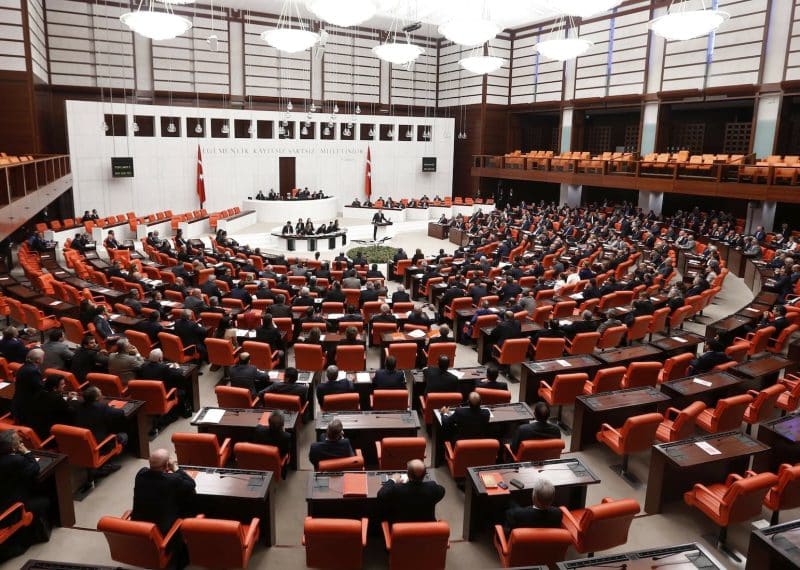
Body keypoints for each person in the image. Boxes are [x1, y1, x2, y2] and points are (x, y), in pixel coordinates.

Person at [131, 448, 196, 566]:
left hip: (138, 532)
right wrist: (175, 468)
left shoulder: (140, 474)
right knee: (187, 507)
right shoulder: (172, 480)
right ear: (167, 465)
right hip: (162, 536)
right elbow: (191, 484)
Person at [0, 429, 50, 558]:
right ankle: (32, 537)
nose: (21, 441)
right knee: (45, 501)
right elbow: (34, 468)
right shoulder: (16, 461)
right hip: (9, 512)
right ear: (12, 447)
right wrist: (27, 452)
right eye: (18, 441)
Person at [377, 459, 446, 523]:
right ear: (424, 475)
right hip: (428, 528)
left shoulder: (397, 488)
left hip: (402, 527)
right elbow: (442, 491)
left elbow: (381, 495)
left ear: (408, 474)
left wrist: (393, 479)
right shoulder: (432, 487)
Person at [74, 385, 127, 459]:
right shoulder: (102, 407)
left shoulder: (78, 405)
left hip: (83, 443)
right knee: (124, 435)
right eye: (100, 392)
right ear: (96, 398)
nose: (102, 393)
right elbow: (120, 412)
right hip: (100, 445)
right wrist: (111, 408)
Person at [29, 374, 74, 440]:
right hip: (52, 432)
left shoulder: (40, 393)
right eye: (62, 384)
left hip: (38, 427)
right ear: (54, 388)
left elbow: (53, 395)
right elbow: (70, 411)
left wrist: (65, 395)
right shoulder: (57, 398)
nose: (65, 385)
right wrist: (70, 400)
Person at [12, 348, 45, 425]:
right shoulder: (33, 371)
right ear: (38, 360)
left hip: (18, 402)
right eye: (43, 357)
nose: (44, 358)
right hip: (27, 406)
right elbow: (40, 387)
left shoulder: (24, 366)